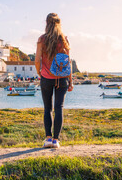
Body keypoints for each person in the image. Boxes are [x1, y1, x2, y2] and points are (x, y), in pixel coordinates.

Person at [35, 13, 73, 149]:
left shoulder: (42, 39)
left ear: (46, 23)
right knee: (59, 108)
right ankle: (56, 140)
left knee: (47, 109)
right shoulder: (64, 39)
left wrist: (40, 72)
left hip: (46, 78)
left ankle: (48, 139)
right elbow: (68, 62)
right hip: (61, 79)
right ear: (59, 24)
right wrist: (71, 81)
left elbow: (37, 60)